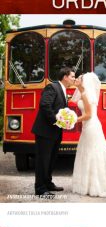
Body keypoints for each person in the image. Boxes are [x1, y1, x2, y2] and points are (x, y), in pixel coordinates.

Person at [32, 66, 76, 197]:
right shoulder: (52, 87)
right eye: (72, 76)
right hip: (45, 131)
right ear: (65, 77)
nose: (74, 79)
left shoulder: (62, 90)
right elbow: (45, 105)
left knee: (51, 159)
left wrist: (63, 122)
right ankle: (40, 189)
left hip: (55, 132)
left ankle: (48, 183)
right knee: (43, 160)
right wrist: (57, 121)